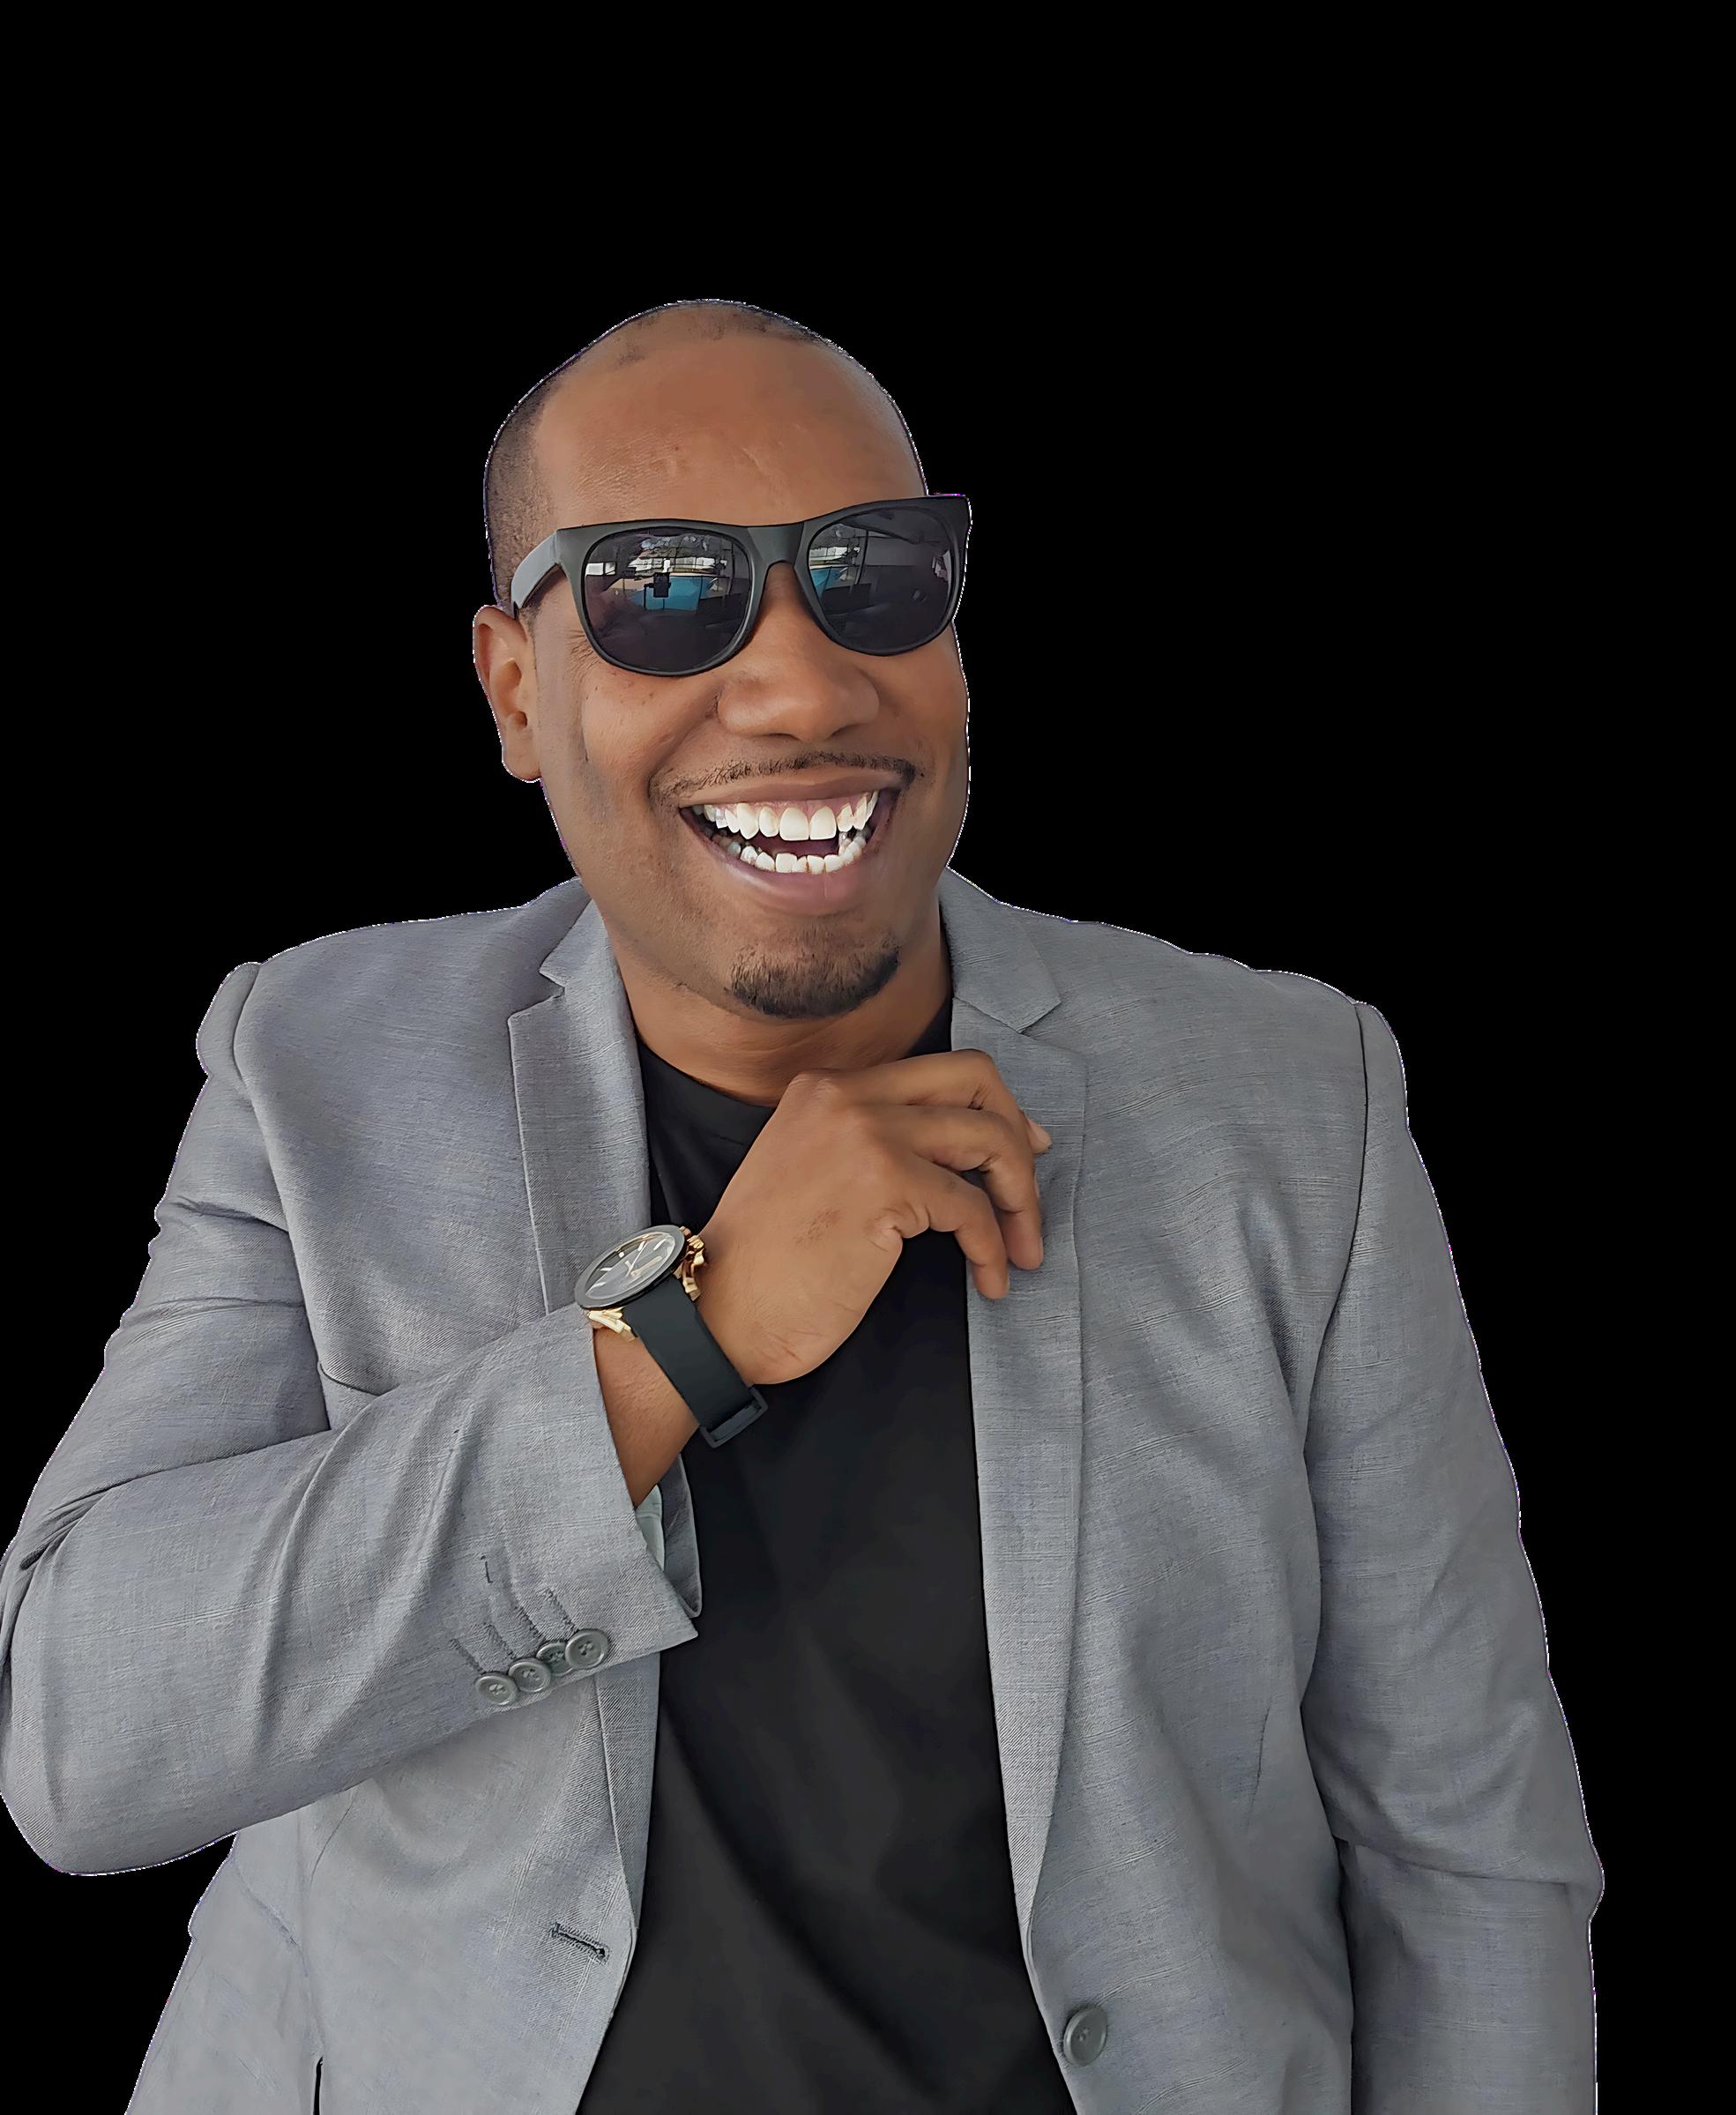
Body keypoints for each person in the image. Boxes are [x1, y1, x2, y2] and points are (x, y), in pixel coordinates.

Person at [0, 298, 1602, 2113]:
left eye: (873, 578)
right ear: (515, 689)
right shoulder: (319, 1066)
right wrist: (680, 1343)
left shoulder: (1289, 1100)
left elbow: (1464, 1844)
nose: (803, 689)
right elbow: (85, 1738)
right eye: (663, 594)